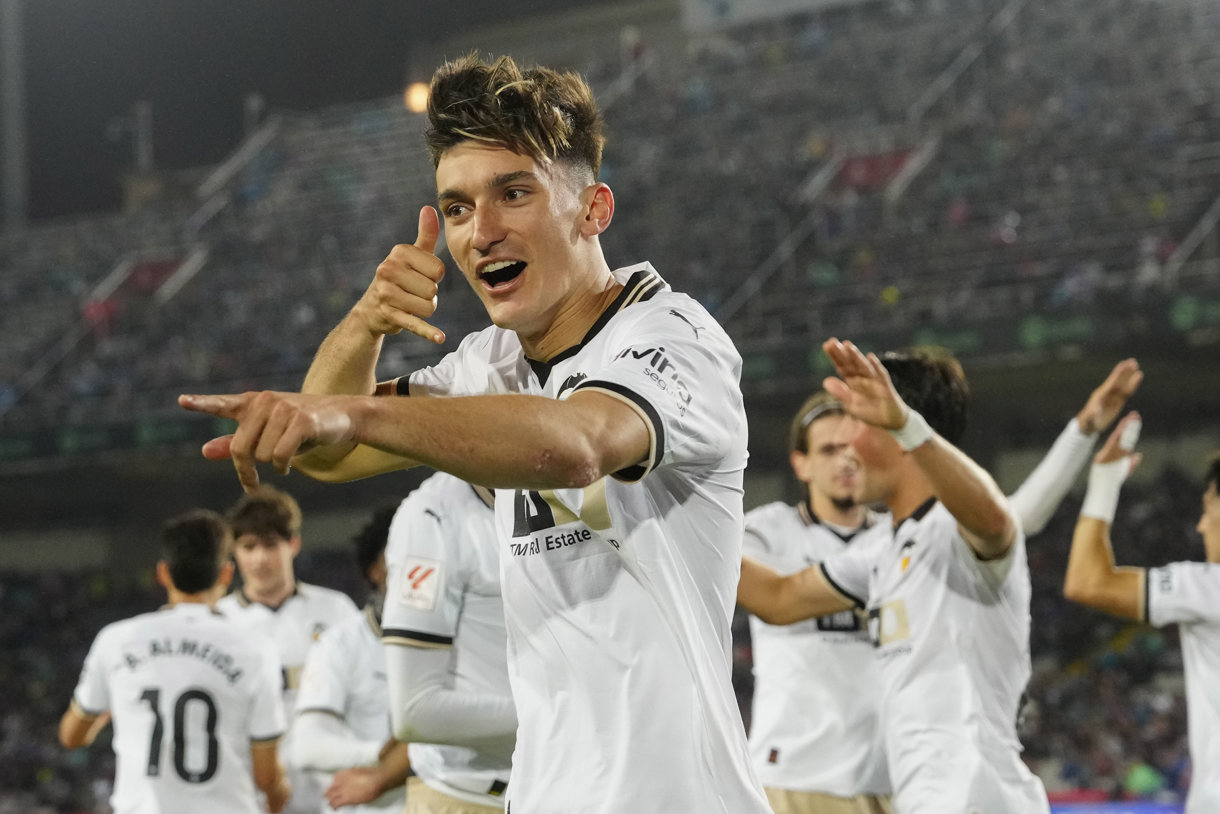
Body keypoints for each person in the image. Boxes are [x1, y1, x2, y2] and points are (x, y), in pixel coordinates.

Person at [180, 53, 771, 813]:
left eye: (513, 193)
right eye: (456, 208)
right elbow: (327, 453)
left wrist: (358, 410)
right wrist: (365, 325)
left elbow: (578, 443)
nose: (481, 232)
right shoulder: (487, 363)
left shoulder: (672, 336)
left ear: (593, 209)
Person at [738, 358, 1141, 814]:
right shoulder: (882, 553)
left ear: (900, 430)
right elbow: (780, 597)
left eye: (860, 422)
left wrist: (910, 427)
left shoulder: (954, 532)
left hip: (972, 795)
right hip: (899, 792)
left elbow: (999, 519)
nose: (848, 447)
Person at [59, 510, 290, 814]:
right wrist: (279, 795)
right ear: (226, 574)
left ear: (163, 573)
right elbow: (266, 776)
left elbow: (72, 736)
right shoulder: (255, 649)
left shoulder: (116, 640)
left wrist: (104, 715)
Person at [1062, 414, 1220, 813]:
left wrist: (1103, 483)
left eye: (1208, 510)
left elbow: (1086, 580)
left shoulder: (1206, 587)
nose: (1202, 527)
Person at [217, 486, 362, 814]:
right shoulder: (221, 623)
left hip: (333, 793)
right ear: (234, 552)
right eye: (248, 546)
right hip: (251, 797)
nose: (260, 558)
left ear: (293, 544)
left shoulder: (335, 611)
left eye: (270, 545)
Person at [381, 470, 514, 812]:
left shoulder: (578, 483)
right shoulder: (433, 515)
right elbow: (415, 712)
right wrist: (572, 716)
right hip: (472, 797)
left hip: (575, 784)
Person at [292, 504, 411, 814]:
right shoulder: (340, 643)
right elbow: (306, 747)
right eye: (399, 552)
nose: (413, 563)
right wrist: (385, 756)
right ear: (374, 569)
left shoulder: (466, 634)